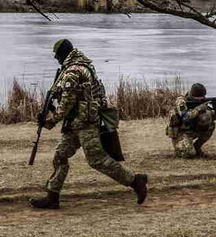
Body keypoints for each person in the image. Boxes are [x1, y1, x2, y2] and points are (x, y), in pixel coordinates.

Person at [30, 39, 148, 209]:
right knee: (60, 155)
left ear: (63, 53)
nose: (56, 58)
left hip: (85, 122)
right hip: (75, 122)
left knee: (96, 160)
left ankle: (135, 181)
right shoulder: (81, 65)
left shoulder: (72, 71)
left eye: (57, 55)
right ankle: (52, 196)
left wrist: (49, 121)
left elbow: (67, 103)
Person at [167, 83, 216, 158]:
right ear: (192, 95)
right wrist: (198, 108)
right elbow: (185, 116)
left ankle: (197, 147)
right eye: (199, 98)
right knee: (189, 154)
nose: (201, 99)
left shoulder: (200, 102)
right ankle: (180, 148)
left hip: (192, 131)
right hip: (180, 134)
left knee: (211, 125)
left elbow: (211, 117)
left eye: (203, 97)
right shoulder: (181, 101)